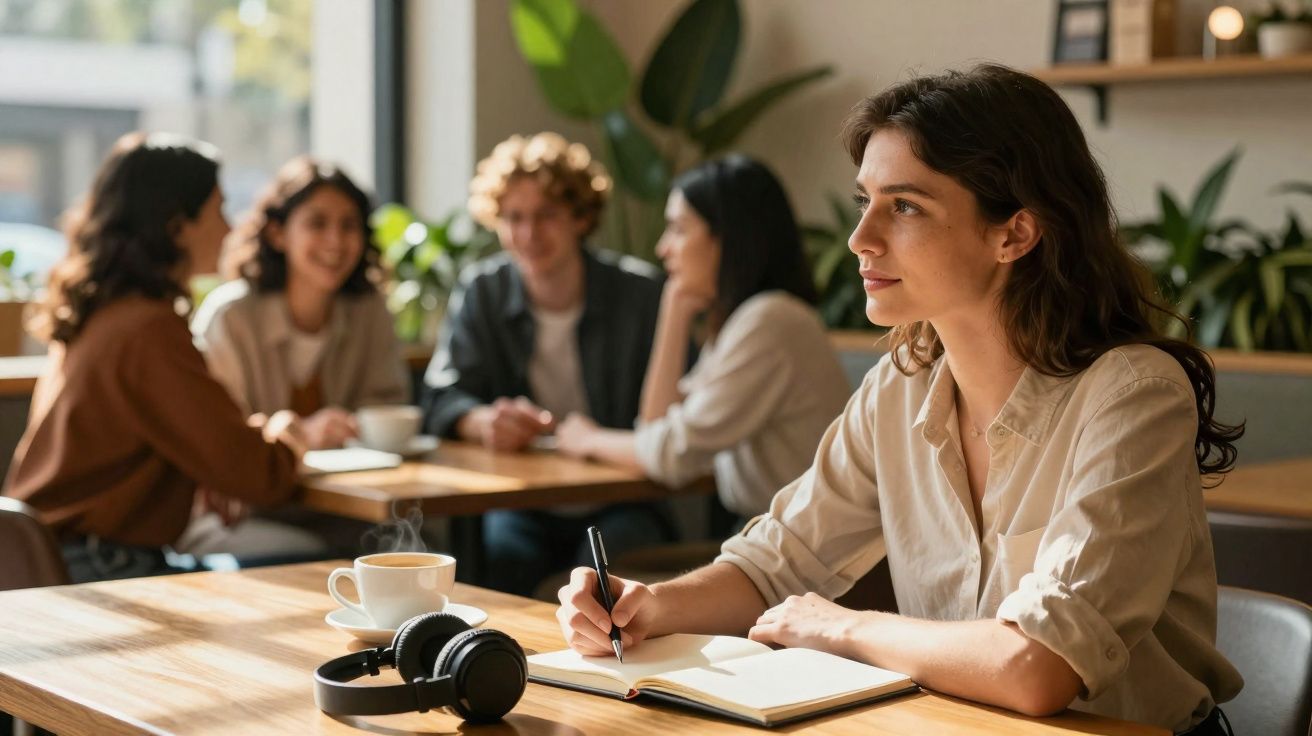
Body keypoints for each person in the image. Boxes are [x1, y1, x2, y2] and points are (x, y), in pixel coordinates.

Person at [554, 65, 1244, 735]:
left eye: (905, 206)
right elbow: (775, 563)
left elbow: (1039, 665)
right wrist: (649, 606)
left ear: (1014, 234)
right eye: (866, 202)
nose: (861, 239)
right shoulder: (901, 385)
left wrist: (844, 628)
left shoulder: (1134, 396)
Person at [2, 132, 306, 584]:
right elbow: (259, 476)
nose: (229, 228)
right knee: (315, 565)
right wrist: (286, 431)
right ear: (177, 225)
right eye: (219, 209)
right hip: (103, 570)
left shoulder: (101, 313)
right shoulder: (149, 330)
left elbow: (206, 451)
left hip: (53, 560)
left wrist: (205, 471)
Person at [421, 132, 673, 596]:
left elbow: (682, 409)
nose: (528, 234)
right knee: (503, 560)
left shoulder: (640, 295)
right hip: (522, 500)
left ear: (581, 218)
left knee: (602, 580)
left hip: (621, 499)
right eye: (513, 218)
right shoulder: (484, 291)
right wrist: (483, 422)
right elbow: (441, 396)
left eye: (546, 215)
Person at [555, 155, 850, 527]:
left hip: (807, 544)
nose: (663, 248)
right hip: (774, 535)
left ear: (728, 239)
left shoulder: (771, 322)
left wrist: (589, 440)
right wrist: (674, 314)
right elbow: (655, 429)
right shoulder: (742, 321)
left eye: (678, 229)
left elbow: (670, 456)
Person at [192, 156, 407, 449]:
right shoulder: (230, 316)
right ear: (277, 233)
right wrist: (302, 434)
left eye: (349, 225)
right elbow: (215, 431)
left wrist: (355, 428)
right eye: (317, 223)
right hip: (259, 478)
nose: (336, 241)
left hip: (359, 478)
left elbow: (389, 404)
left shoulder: (370, 311)